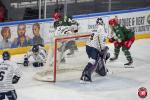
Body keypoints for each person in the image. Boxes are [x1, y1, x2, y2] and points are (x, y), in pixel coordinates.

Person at [80, 18, 110, 83]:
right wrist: (103, 49)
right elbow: (102, 39)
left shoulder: (94, 28)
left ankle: (98, 69)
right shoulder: (102, 28)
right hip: (94, 47)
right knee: (93, 61)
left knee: (93, 61)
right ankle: (85, 76)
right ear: (102, 23)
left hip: (88, 46)